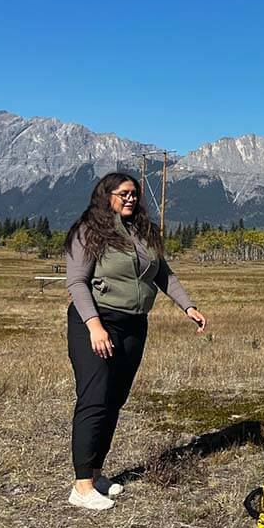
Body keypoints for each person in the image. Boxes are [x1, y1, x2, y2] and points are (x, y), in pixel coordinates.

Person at [63, 172, 208, 510]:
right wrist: (95, 327)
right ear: (106, 195)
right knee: (94, 397)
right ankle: (81, 486)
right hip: (97, 322)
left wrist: (188, 306)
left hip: (134, 325)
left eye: (134, 194)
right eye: (123, 193)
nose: (131, 199)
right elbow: (77, 282)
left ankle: (96, 473)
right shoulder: (88, 231)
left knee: (114, 399)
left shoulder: (142, 232)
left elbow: (163, 274)